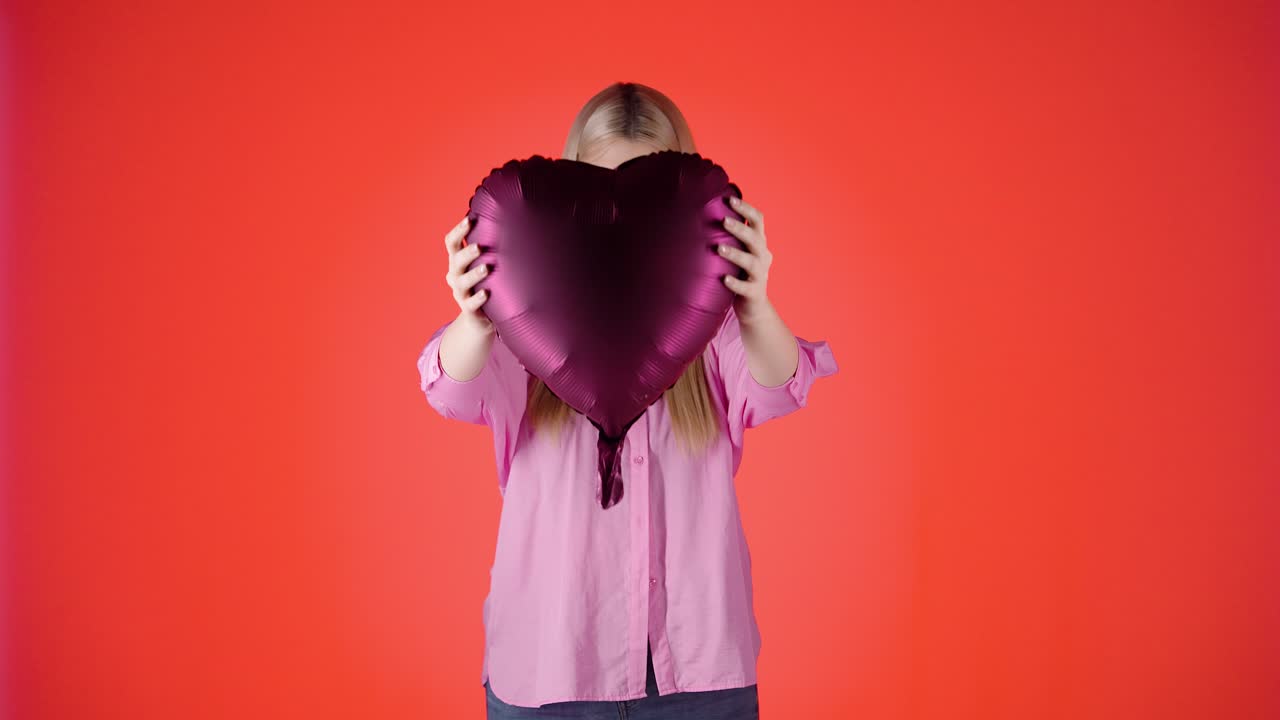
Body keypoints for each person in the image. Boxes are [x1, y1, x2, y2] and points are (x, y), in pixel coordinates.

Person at [418, 81, 839, 719]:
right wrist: (475, 314)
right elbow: (453, 390)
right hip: (549, 667)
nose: (621, 228)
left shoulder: (712, 320)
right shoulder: (524, 319)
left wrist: (753, 303)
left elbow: (778, 390)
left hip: (698, 675)